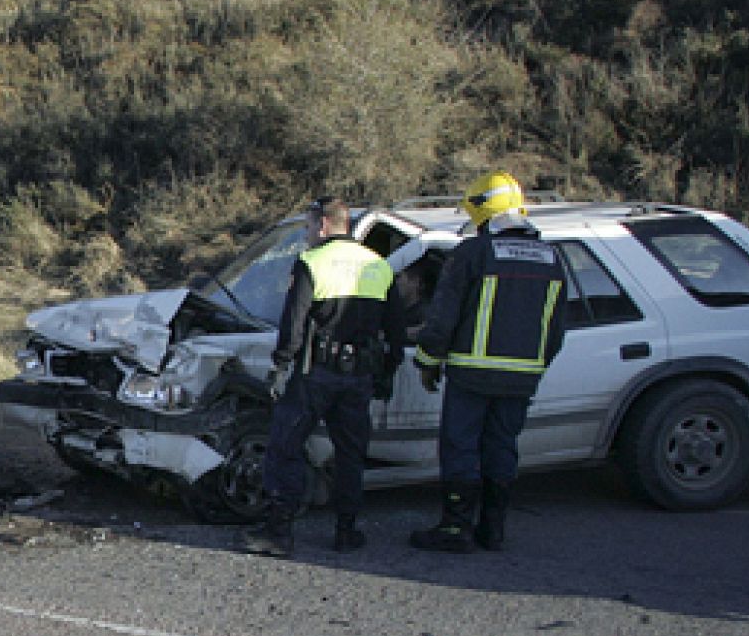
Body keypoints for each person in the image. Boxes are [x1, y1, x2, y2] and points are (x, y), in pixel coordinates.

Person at [409, 171, 568, 553]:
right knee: (502, 447)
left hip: (472, 376)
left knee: (461, 447)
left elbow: (443, 317)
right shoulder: (551, 258)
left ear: (481, 214)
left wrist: (428, 360)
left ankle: (455, 528)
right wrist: (535, 368)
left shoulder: (474, 253)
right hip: (522, 380)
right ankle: (493, 529)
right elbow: (557, 327)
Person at [241, 197, 405, 558]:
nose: (306, 234)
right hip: (359, 375)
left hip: (315, 374)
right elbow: (396, 328)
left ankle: (278, 531)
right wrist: (388, 371)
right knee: (350, 454)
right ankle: (346, 531)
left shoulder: (312, 262)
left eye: (308, 226)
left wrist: (280, 366)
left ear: (324, 225)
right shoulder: (378, 265)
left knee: (285, 447)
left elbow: (294, 324)